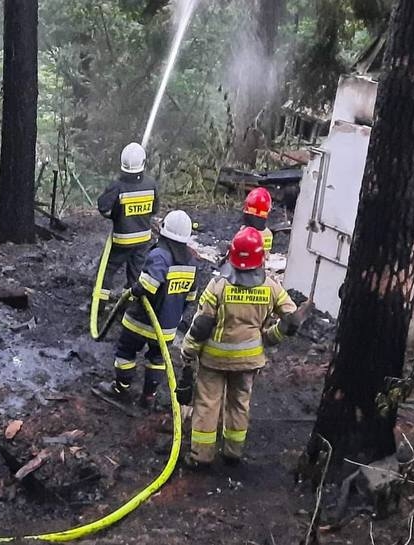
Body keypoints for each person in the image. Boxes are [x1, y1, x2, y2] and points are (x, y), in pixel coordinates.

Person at [179, 227, 311, 467]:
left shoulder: (218, 286)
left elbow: (201, 326)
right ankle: (233, 451)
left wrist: (188, 351)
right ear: (261, 259)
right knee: (239, 403)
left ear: (232, 255)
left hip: (214, 360)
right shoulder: (271, 287)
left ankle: (202, 456)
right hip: (248, 361)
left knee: (208, 404)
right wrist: (272, 336)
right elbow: (292, 321)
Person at [96, 210, 197, 409]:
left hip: (141, 321)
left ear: (164, 231)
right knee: (157, 359)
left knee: (126, 351)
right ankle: (148, 396)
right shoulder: (191, 262)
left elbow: (148, 286)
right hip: (166, 327)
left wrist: (133, 290)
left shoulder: (161, 255)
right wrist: (174, 312)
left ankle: (121, 388)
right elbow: (191, 297)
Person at [96, 142, 159, 301]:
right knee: (136, 273)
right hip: (144, 240)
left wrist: (116, 215)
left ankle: (99, 304)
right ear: (143, 163)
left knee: (106, 271)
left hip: (122, 240)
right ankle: (128, 304)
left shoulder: (117, 186)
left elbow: (104, 207)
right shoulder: (151, 184)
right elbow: (154, 209)